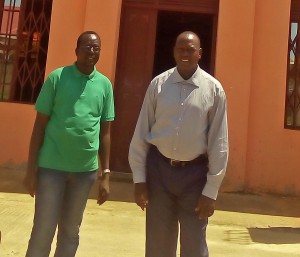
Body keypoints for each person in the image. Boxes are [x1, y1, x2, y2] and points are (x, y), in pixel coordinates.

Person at [129, 31, 228, 257]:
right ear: (173, 51)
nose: (185, 53)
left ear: (200, 54)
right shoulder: (158, 85)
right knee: (158, 244)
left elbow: (219, 142)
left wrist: (211, 190)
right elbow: (142, 131)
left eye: (190, 50)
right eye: (180, 49)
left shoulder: (214, 90)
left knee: (194, 244)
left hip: (195, 176)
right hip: (159, 172)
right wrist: (139, 179)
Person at [23, 31, 115, 257]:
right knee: (43, 230)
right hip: (51, 169)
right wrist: (30, 171)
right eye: (87, 47)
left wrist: (106, 174)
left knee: (71, 232)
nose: (92, 52)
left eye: (96, 48)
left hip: (84, 173)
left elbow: (105, 133)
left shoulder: (104, 85)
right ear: (76, 51)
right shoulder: (57, 78)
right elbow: (39, 127)